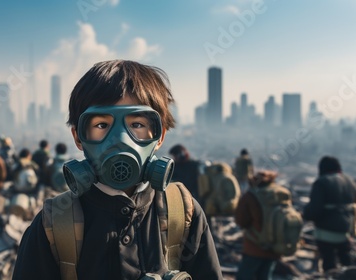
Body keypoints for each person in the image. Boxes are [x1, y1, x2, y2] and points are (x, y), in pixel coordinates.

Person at [13, 60, 222, 279]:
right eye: (102, 125)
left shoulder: (183, 213)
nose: (120, 140)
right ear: (79, 137)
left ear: (159, 136)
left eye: (137, 125)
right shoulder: (54, 226)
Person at [303, 156, 356, 272]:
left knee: (329, 265)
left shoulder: (322, 182)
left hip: (326, 232)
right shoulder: (349, 181)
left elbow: (314, 209)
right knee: (346, 261)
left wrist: (304, 215)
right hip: (345, 230)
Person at [234, 170, 282, 280]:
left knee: (243, 276)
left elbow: (240, 220)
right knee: (265, 276)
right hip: (275, 246)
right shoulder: (280, 194)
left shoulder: (250, 196)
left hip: (254, 246)